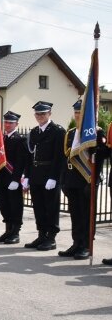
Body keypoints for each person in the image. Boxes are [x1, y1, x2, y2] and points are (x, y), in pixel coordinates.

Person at [59, 99, 105, 260]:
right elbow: (66, 159)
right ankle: (76, 242)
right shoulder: (71, 133)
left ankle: (86, 245)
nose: (78, 115)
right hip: (72, 180)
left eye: (81, 113)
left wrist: (93, 179)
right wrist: (64, 180)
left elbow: (99, 159)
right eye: (76, 112)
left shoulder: (96, 132)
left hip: (87, 180)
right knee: (75, 214)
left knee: (86, 214)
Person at [23, 101, 66, 251]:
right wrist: (27, 176)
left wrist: (54, 177)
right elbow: (29, 156)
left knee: (51, 207)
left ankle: (51, 238)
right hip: (36, 174)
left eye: (43, 113)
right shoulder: (34, 132)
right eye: (37, 114)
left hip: (49, 175)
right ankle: (41, 235)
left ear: (50, 114)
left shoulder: (58, 131)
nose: (40, 116)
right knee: (39, 207)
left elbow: (60, 157)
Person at [0, 111, 27, 244]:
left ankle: (15, 232)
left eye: (10, 122)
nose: (7, 124)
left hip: (12, 178)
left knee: (15, 205)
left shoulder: (20, 139)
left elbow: (21, 162)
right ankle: (8, 230)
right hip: (1, 178)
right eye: (6, 122)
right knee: (4, 205)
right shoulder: (2, 139)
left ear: (16, 124)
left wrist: (16, 179)